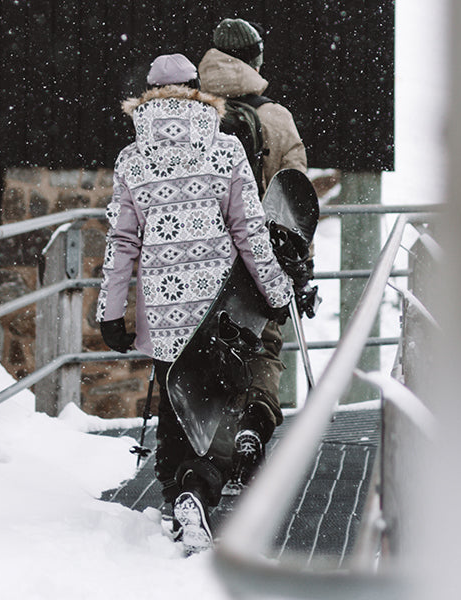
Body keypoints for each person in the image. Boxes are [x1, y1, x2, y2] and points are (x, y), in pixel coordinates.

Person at [96, 53, 294, 554]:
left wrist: (111, 312)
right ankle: (197, 489)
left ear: (147, 97)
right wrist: (275, 290)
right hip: (220, 308)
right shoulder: (226, 150)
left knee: (178, 406)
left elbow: (121, 243)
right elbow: (250, 232)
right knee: (223, 405)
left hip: (166, 313)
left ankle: (180, 493)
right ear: (197, 90)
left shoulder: (131, 159)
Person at [194, 17, 312, 490]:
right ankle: (254, 424)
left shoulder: (193, 111)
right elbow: (297, 203)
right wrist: (298, 272)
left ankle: (202, 457)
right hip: (258, 259)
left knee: (204, 351)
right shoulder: (277, 119)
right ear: (256, 59)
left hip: (202, 257)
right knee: (262, 348)